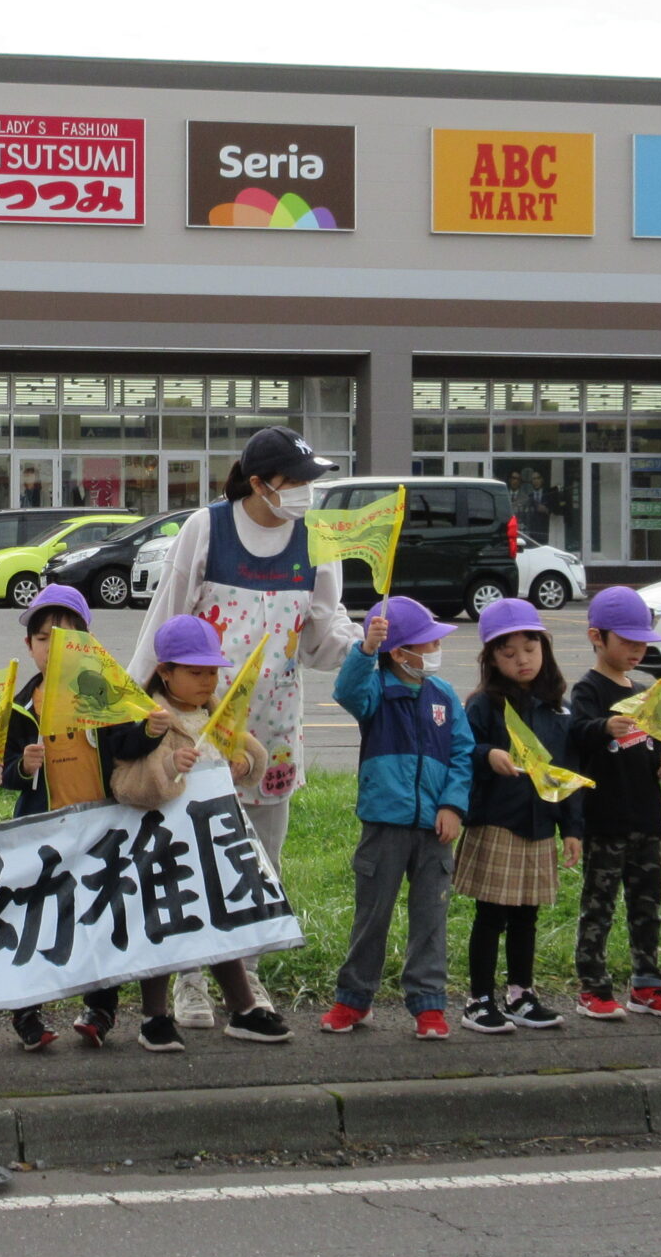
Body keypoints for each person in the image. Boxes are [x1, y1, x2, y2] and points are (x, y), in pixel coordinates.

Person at [130, 426, 356, 1038]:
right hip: (195, 734)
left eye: (311, 481)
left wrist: (364, 641)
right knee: (190, 855)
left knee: (260, 862)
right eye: (296, 481)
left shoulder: (316, 539)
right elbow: (164, 622)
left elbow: (320, 640)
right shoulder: (206, 529)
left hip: (273, 734)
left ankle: (247, 979)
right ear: (258, 483)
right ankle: (190, 978)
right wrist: (132, 715)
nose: (307, 492)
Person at [78, 613, 263, 1052]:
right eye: (195, 672)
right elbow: (127, 785)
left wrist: (245, 764)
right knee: (161, 927)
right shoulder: (149, 718)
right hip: (164, 847)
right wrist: (167, 766)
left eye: (212, 671)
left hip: (213, 841)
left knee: (221, 923)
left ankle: (243, 1009)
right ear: (165, 671)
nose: (207, 681)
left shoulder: (215, 711)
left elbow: (250, 750)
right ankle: (154, 1018)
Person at [319, 596, 469, 1041]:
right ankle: (354, 998)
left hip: (435, 831)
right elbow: (347, 691)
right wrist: (366, 649)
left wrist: (452, 805)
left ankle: (428, 1003)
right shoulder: (376, 691)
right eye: (428, 643)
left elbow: (463, 753)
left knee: (430, 919)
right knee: (372, 916)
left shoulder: (444, 696)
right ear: (400, 654)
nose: (436, 649)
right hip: (384, 825)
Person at [455, 598, 581, 1035]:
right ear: (491, 659)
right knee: (491, 916)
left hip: (540, 825)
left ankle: (520, 994)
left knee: (528, 915)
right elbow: (461, 751)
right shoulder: (483, 705)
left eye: (530, 648)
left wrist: (572, 828)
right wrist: (487, 754)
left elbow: (565, 770)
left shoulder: (557, 708)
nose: (522, 660)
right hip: (498, 823)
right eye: (508, 653)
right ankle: (479, 999)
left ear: (545, 647)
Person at [0, 585, 108, 1049]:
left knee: (99, 916)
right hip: (40, 831)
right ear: (29, 645)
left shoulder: (104, 696)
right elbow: (3, 770)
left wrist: (150, 732)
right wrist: (22, 768)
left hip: (97, 827)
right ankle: (28, 1012)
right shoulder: (20, 705)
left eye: (66, 639)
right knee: (36, 918)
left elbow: (126, 750)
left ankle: (101, 1008)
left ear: (86, 645)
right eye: (43, 639)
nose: (52, 648)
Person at [563, 586, 661, 1021]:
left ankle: (647, 984)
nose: (637, 650)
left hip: (646, 820)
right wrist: (603, 727)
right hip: (605, 820)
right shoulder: (587, 690)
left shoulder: (646, 691)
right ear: (596, 637)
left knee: (647, 908)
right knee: (599, 907)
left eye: (643, 642)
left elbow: (656, 747)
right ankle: (592, 987)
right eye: (627, 641)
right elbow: (576, 735)